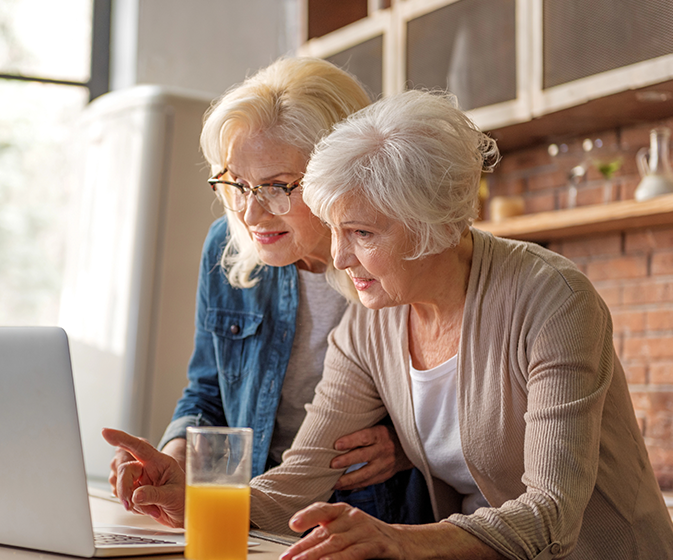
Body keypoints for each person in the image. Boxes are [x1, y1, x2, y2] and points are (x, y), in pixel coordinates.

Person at [104, 89, 673, 559]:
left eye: (364, 234)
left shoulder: (551, 298)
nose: (341, 259)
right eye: (334, 231)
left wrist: (397, 540)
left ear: (436, 226)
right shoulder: (367, 326)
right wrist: (192, 497)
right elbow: (298, 480)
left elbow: (552, 511)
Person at [106, 57, 432, 526]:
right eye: (238, 184)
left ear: (343, 174)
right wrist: (173, 459)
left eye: (278, 187)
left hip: (367, 510)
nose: (251, 215)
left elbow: (461, 405)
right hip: (246, 497)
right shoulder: (227, 244)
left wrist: (407, 448)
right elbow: (207, 392)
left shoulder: (396, 257)